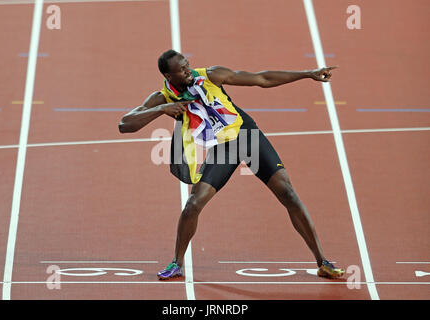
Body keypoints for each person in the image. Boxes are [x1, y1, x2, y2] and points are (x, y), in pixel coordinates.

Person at [119, 49, 345, 280]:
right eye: (182, 70)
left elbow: (262, 79)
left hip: (247, 136)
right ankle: (177, 263)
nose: (189, 71)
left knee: (287, 193)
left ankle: (322, 262)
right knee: (193, 205)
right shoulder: (162, 98)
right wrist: (161, 109)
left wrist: (308, 74)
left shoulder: (211, 75)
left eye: (188, 65)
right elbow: (125, 124)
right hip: (222, 149)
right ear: (168, 76)